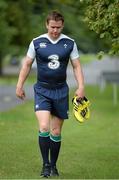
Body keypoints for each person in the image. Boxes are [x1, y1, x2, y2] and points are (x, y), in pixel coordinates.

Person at [16, 10, 85, 178]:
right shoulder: (37, 42)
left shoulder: (69, 43)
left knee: (55, 132)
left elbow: (76, 66)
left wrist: (81, 86)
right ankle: (45, 165)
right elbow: (27, 64)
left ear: (62, 26)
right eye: (52, 27)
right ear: (47, 24)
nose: (55, 30)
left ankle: (53, 166)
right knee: (44, 127)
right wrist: (19, 85)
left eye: (58, 27)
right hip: (42, 90)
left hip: (61, 90)